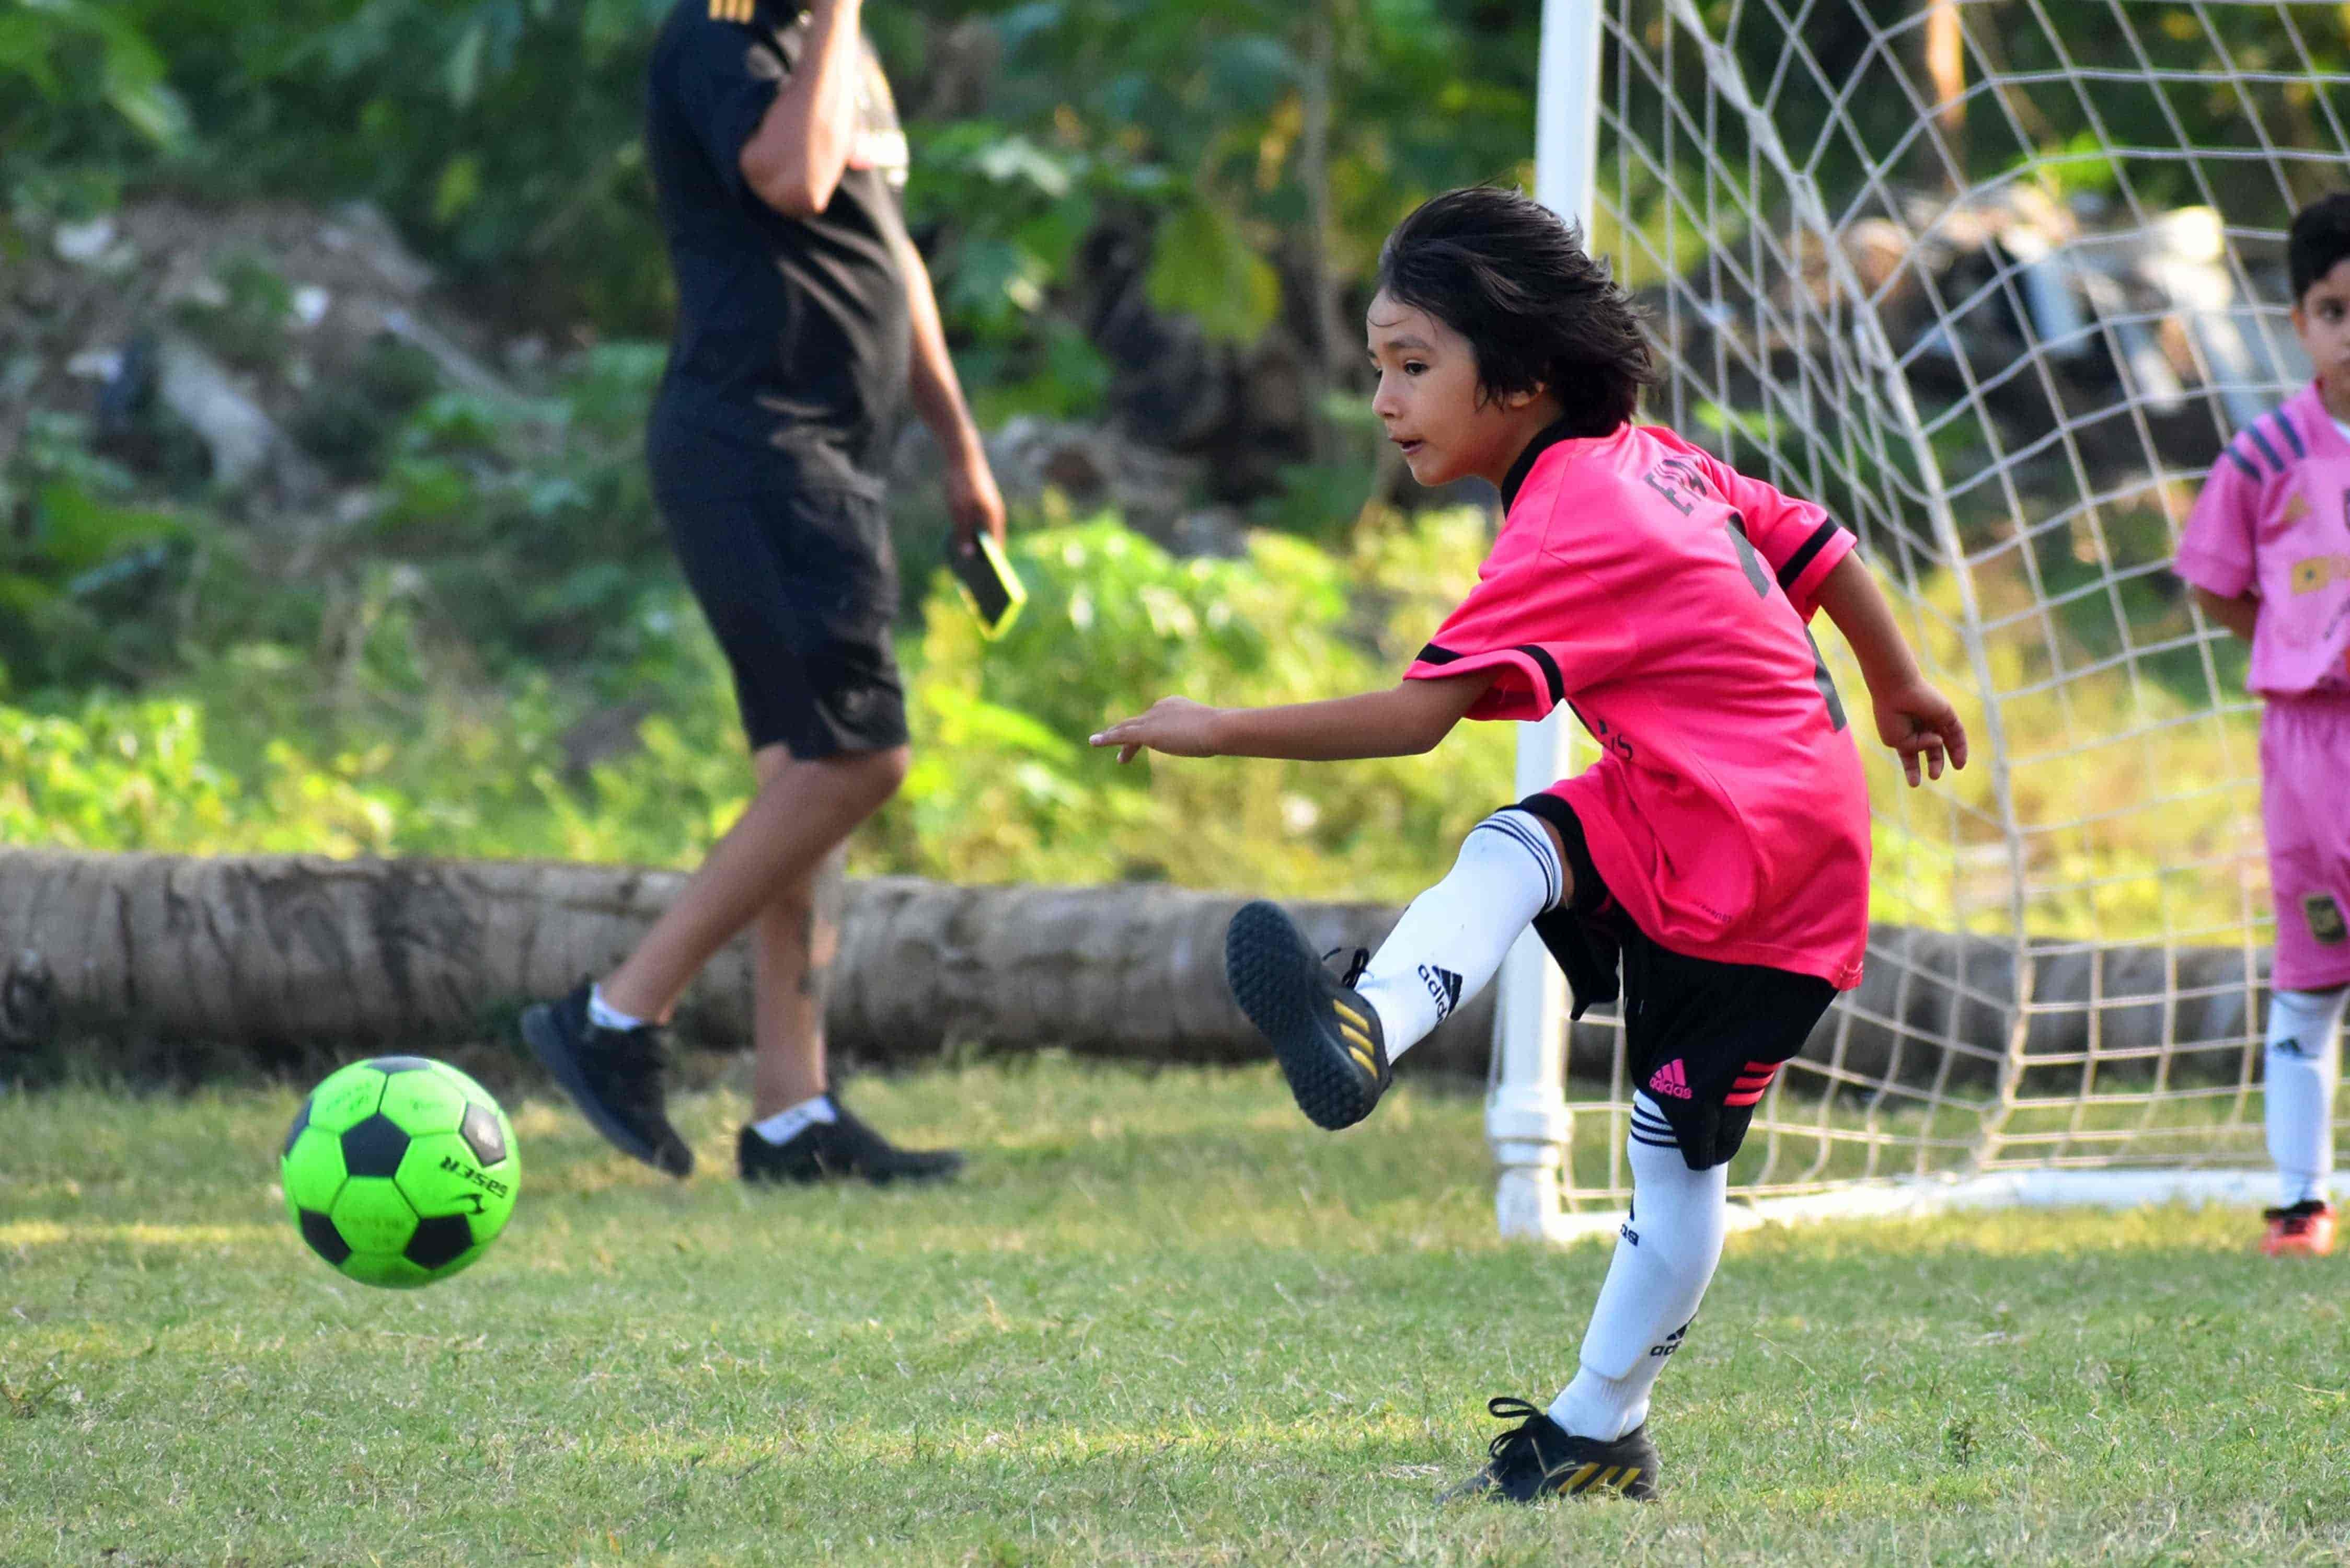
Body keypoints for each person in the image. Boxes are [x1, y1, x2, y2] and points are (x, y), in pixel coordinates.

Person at [1091, 186, 1967, 1502]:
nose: (1384, 400)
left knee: (1667, 1148)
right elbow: (1815, 545)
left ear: (1522, 377)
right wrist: (1896, 683)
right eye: (1378, 367)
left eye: (1412, 366)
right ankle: (1588, 1414)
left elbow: (1413, 720)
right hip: (1738, 818)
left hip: (1750, 859)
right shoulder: (1653, 462)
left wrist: (1215, 728)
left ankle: (1588, 1398)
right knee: (1543, 881)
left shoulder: (1570, 512)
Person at [522, 0, 1004, 1186]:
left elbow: (885, 249)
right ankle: (618, 1015)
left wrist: (956, 446)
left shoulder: (832, 48)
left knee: (807, 774)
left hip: (835, 446)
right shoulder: (719, 35)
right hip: (758, 439)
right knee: (859, 758)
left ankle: (792, 1116)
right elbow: (790, 178)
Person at [2173, 192, 2350, 1259]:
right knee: (2313, 967)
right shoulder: (2266, 451)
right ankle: (2298, 1198)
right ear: (2300, 322)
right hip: (2310, 749)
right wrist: (2295, 641)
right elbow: (2214, 582)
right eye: (2334, 310)